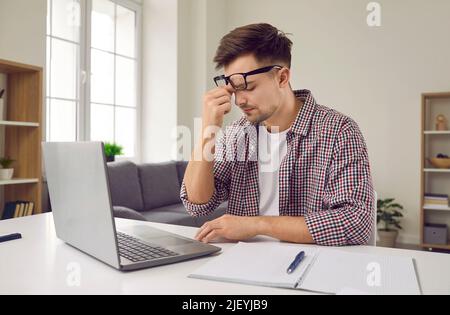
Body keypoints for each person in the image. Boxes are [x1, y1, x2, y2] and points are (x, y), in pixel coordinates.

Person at [181, 23, 374, 246]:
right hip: (242, 266)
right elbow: (197, 204)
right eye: (234, 89)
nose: (238, 100)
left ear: (282, 77)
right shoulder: (237, 134)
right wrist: (208, 128)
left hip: (311, 267)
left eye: (249, 87)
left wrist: (257, 225)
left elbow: (355, 222)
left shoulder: (339, 130)